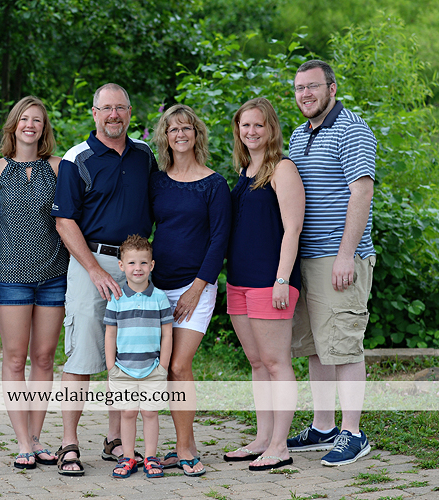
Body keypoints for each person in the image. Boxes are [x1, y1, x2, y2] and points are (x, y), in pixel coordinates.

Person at [51, 83, 157, 476]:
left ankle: (116, 440)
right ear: (94, 113)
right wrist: (94, 270)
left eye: (121, 109)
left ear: (130, 113)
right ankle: (69, 444)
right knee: (81, 353)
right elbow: (64, 220)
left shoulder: (144, 155)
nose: (114, 115)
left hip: (136, 267)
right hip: (89, 262)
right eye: (106, 108)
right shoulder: (77, 158)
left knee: (129, 356)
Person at [286, 60, 377, 466]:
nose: (305, 94)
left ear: (332, 88)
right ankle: (323, 426)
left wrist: (345, 254)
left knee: (342, 344)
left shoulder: (352, 129)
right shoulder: (297, 134)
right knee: (316, 348)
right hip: (304, 259)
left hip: (338, 258)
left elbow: (361, 194)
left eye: (313, 87)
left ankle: (353, 432)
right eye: (299, 88)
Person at [223, 97, 304, 471]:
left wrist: (281, 279)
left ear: (271, 128)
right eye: (245, 126)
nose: (251, 132)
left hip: (270, 282)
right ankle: (261, 437)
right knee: (256, 362)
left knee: (275, 362)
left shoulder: (282, 169)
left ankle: (279, 444)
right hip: (239, 281)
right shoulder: (243, 171)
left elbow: (292, 229)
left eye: (258, 125)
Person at [149, 104, 231, 476]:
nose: (180, 134)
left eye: (187, 128)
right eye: (172, 129)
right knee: (163, 368)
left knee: (180, 366)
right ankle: (186, 442)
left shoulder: (214, 184)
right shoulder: (158, 181)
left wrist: (197, 288)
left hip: (195, 286)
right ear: (165, 137)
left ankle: (185, 447)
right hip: (156, 287)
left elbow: (219, 241)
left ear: (196, 134)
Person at [0, 96, 69, 469]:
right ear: (14, 125)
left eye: (37, 120)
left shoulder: (57, 167)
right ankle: (21, 441)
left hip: (53, 275)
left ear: (44, 128)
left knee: (44, 357)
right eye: (24, 118)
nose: (30, 125)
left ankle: (36, 438)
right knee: (15, 358)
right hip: (11, 277)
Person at [104, 235, 173, 479]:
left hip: (152, 368)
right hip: (123, 369)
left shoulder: (160, 298)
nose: (138, 268)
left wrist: (163, 366)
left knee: (151, 413)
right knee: (128, 413)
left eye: (143, 263)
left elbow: (167, 334)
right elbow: (110, 335)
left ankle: (151, 457)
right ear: (122, 266)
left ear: (151, 265)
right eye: (132, 263)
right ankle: (129, 457)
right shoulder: (116, 299)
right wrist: (112, 367)